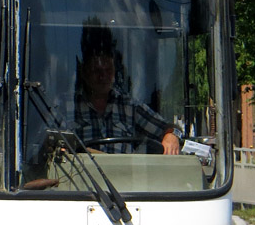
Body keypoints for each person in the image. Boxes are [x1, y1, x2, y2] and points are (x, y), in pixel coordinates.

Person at [71, 24, 180, 156]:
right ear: (84, 73)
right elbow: (50, 144)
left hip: (125, 175)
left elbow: (168, 128)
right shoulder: (67, 106)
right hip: (78, 175)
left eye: (108, 70)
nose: (103, 76)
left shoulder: (129, 106)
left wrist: (172, 136)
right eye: (96, 71)